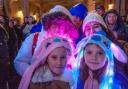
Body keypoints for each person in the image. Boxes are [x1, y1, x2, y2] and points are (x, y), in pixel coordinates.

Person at [14, 5, 78, 76]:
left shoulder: (68, 43)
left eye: (61, 26)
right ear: (48, 25)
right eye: (54, 25)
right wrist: (34, 74)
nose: (57, 29)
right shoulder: (34, 39)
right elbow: (19, 61)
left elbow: (73, 66)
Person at [82, 11, 128, 76]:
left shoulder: (112, 45)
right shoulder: (82, 47)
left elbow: (122, 64)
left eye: (96, 26)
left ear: (103, 28)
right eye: (88, 29)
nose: (92, 31)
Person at [0, 15, 9, 89]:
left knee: (4, 68)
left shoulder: (2, 27)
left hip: (4, 51)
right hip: (1, 52)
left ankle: (4, 83)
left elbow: (6, 37)